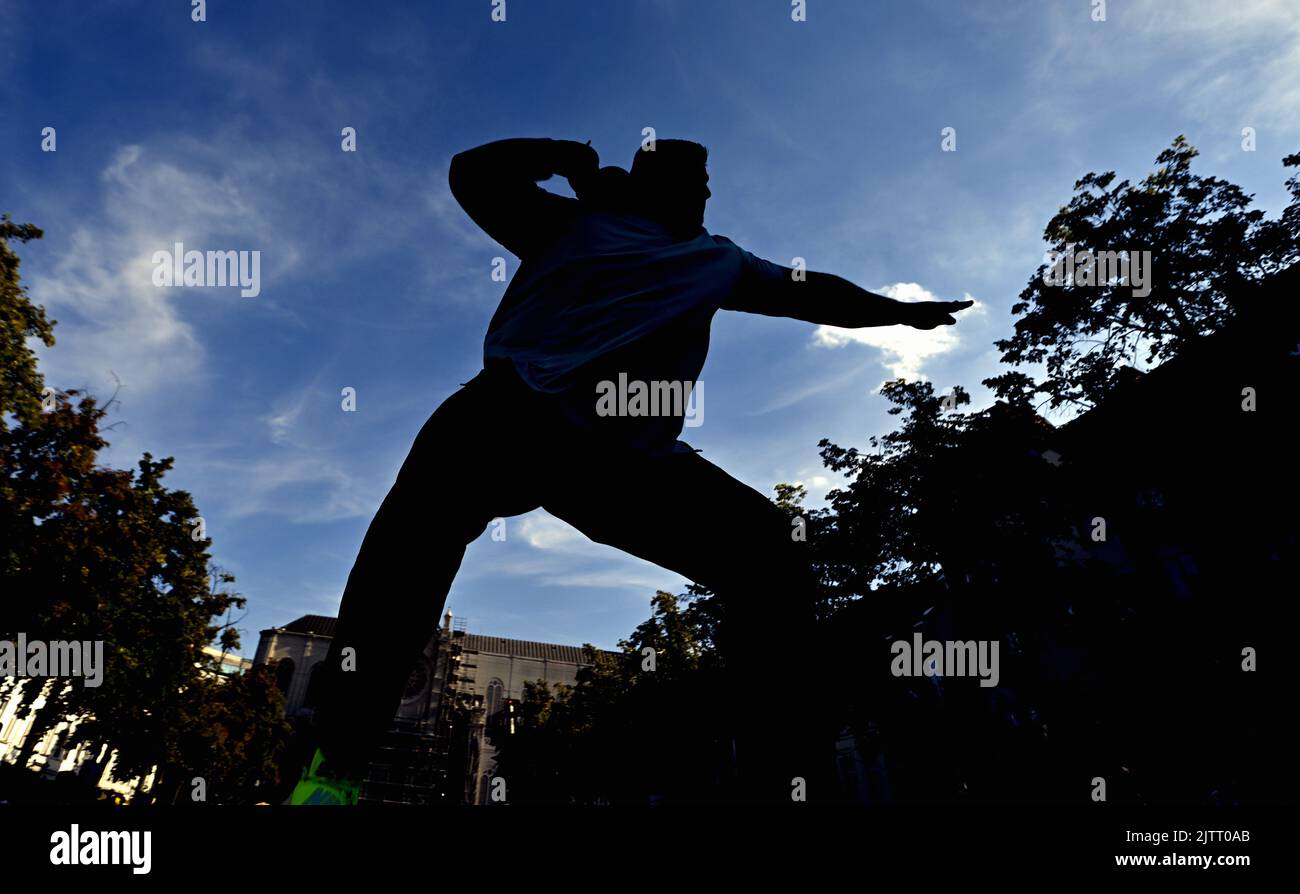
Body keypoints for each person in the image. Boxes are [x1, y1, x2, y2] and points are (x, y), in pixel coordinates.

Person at [288, 136, 973, 805]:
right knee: (405, 555)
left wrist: (898, 312)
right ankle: (337, 766)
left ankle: (786, 779)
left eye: (707, 190)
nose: (705, 199)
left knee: (772, 549)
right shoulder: (570, 221)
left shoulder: (718, 259)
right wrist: (562, 156)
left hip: (619, 455)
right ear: (653, 189)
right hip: (508, 414)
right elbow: (473, 172)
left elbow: (812, 292)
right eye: (694, 188)